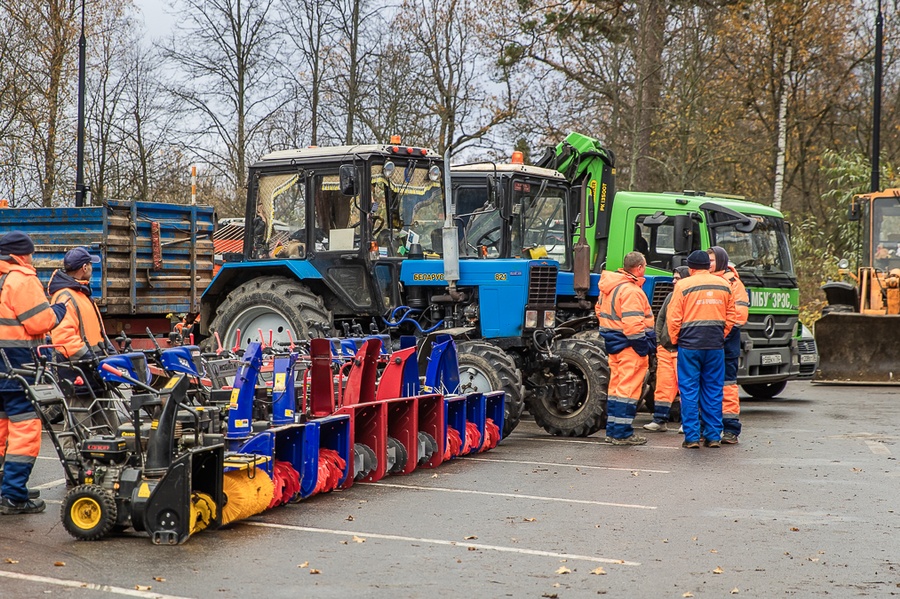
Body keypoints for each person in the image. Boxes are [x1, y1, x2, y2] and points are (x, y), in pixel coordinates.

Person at [0, 231, 66, 514]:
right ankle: (14, 495)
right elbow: (39, 321)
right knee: (24, 431)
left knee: (1, 429)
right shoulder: (21, 280)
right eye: (30, 253)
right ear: (20, 255)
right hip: (17, 368)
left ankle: (6, 489)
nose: (32, 258)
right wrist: (59, 311)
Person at [667, 250, 737, 449]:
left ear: (690, 268)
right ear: (708, 266)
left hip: (689, 346)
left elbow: (674, 318)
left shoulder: (683, 285)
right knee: (713, 391)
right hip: (715, 346)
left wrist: (675, 340)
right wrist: (720, 335)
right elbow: (731, 316)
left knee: (689, 391)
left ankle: (691, 438)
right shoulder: (725, 285)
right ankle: (713, 436)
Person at [596, 251, 656, 446]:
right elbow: (633, 326)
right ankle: (622, 434)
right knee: (628, 391)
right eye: (644, 266)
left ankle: (613, 431)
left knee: (616, 389)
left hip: (615, 344)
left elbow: (599, 312)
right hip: (630, 346)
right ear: (639, 268)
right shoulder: (631, 291)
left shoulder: (609, 288)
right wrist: (644, 347)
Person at [708, 246, 750, 444]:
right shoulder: (707, 282)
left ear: (722, 262)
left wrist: (719, 336)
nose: (709, 264)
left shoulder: (734, 284)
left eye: (712, 261)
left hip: (725, 344)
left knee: (727, 387)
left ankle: (731, 429)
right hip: (710, 343)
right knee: (708, 386)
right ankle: (709, 428)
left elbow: (738, 318)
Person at [643, 266, 690, 432]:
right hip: (666, 349)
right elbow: (660, 319)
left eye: (677, 278)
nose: (673, 281)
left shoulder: (688, 297)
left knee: (685, 387)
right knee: (663, 386)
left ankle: (687, 423)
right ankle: (660, 419)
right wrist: (659, 343)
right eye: (674, 278)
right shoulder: (670, 297)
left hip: (681, 349)